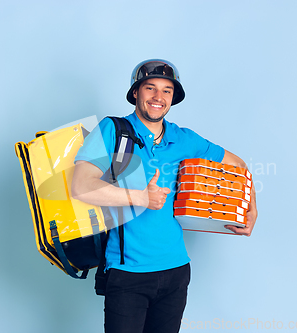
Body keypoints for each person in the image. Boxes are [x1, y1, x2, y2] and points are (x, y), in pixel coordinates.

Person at [71, 59, 258, 333]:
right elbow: (81, 186)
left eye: (167, 90)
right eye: (150, 88)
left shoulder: (184, 139)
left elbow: (239, 166)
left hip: (176, 272)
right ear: (136, 92)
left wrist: (252, 208)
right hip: (127, 275)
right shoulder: (114, 131)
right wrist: (140, 198)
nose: (159, 97)